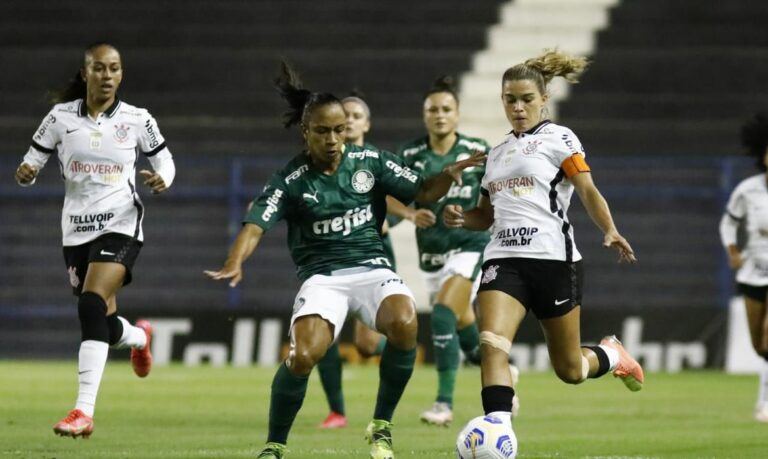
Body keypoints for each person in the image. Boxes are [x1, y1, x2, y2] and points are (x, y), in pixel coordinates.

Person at [205, 62, 484, 459]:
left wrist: (447, 174)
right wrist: (235, 261)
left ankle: (382, 426)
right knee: (303, 356)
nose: (334, 139)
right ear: (306, 132)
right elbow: (255, 225)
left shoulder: (371, 160)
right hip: (323, 278)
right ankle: (274, 445)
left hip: (372, 268)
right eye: (323, 131)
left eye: (339, 129)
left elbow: (422, 192)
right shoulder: (290, 179)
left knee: (405, 322)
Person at [443, 50, 644, 430]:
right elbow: (485, 216)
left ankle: (612, 355)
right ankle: (498, 431)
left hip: (553, 260)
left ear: (544, 99)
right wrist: (460, 217)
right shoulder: (496, 153)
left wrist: (610, 228)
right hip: (503, 259)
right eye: (510, 100)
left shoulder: (559, 138)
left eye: (526, 99)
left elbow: (586, 189)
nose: (518, 108)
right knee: (492, 345)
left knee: (570, 370)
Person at [14, 42, 175, 438]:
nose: (107, 75)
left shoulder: (137, 119)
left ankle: (83, 411)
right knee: (102, 321)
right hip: (76, 230)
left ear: (121, 74)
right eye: (100, 68)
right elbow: (32, 160)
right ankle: (140, 337)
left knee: (89, 303)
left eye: (114, 68)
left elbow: (164, 160)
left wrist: (163, 179)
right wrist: (26, 173)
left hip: (121, 222)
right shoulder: (60, 117)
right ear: (86, 72)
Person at [387, 76, 518, 426]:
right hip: (431, 254)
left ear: (458, 114)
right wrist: (402, 216)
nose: (440, 115)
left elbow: (495, 197)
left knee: (443, 313)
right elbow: (395, 200)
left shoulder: (476, 151)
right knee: (465, 330)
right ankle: (506, 375)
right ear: (424, 115)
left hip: (470, 246)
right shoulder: (409, 154)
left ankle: (443, 404)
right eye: (433, 110)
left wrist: (478, 219)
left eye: (446, 109)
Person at [315, 93, 390, 429]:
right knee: (322, 334)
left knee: (366, 344)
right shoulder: (323, 160)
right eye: (344, 114)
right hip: (330, 257)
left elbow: (401, 198)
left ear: (367, 124)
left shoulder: (376, 161)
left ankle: (403, 344)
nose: (349, 120)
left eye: (357, 115)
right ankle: (337, 411)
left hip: (372, 257)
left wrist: (390, 219)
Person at [719, 112, 768, 422]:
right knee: (759, 345)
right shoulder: (748, 189)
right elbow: (728, 223)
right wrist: (733, 251)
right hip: (754, 272)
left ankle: (764, 403)